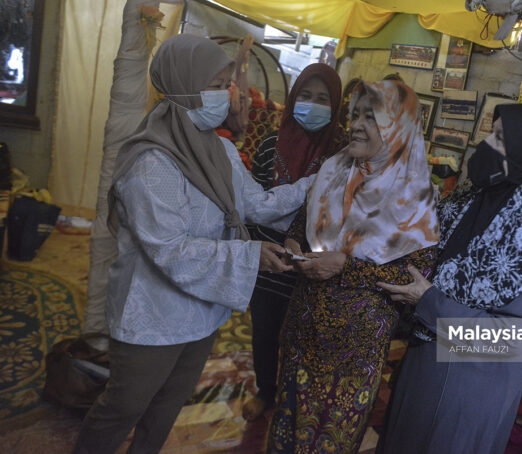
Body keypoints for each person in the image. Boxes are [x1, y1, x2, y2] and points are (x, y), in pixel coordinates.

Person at [73, 34, 312, 454]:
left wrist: (318, 183)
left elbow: (256, 204)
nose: (230, 94)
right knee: (124, 408)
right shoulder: (152, 162)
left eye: (227, 83)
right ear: (184, 87)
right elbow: (170, 249)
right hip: (152, 316)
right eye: (218, 85)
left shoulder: (217, 149)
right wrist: (250, 255)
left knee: (167, 405)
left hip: (201, 311)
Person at [376, 103, 522, 454]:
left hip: (469, 385)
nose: (485, 144)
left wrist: (429, 301)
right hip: (426, 357)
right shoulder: (473, 197)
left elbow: (514, 339)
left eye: (498, 138)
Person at [267, 80, 440, 453]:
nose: (357, 125)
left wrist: (345, 266)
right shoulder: (334, 168)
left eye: (372, 117)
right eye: (355, 114)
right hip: (301, 326)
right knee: (288, 424)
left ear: (397, 125)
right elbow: (303, 220)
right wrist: (294, 243)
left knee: (329, 435)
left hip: (351, 347)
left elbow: (414, 276)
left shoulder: (415, 193)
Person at [243, 63, 344, 421]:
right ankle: (266, 393)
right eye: (305, 96)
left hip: (312, 267)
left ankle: (295, 399)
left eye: (322, 98)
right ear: (292, 98)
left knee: (304, 339)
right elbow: (251, 202)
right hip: (270, 261)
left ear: (335, 106)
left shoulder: (340, 153)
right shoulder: (270, 143)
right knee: (265, 333)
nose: (312, 105)